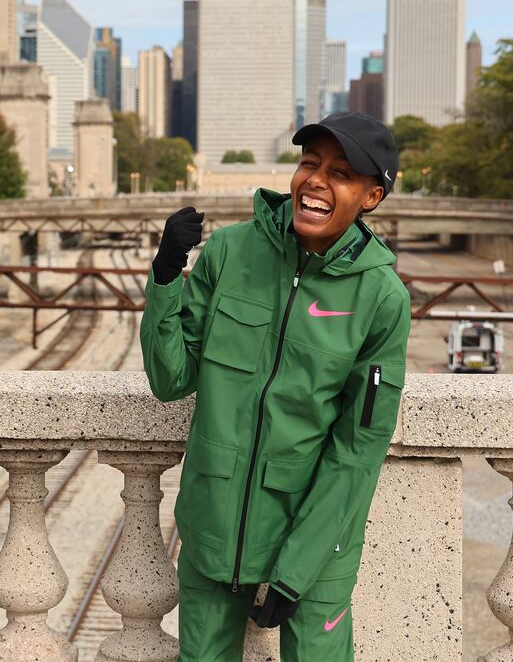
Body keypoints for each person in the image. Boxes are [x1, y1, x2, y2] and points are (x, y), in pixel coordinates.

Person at [141, 112, 410, 661]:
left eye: (340, 173)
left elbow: (358, 450)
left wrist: (296, 570)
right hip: (214, 520)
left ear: (372, 197)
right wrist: (167, 274)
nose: (315, 180)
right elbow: (170, 379)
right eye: (309, 163)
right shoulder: (229, 252)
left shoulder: (383, 299)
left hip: (315, 542)